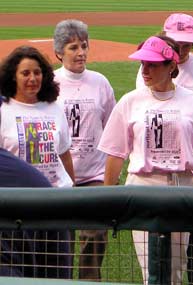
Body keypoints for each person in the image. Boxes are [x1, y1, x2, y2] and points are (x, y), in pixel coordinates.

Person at [98, 35, 193, 285]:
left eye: (152, 64)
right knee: (151, 266)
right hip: (143, 188)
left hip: (182, 188)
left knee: (176, 267)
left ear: (171, 66)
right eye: (143, 63)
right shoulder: (130, 101)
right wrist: (108, 198)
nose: (145, 70)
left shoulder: (192, 101)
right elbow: (115, 152)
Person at [135, 13, 193, 284]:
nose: (182, 48)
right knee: (160, 242)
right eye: (177, 43)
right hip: (159, 170)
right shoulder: (148, 68)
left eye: (187, 43)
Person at [0, 46, 75, 278]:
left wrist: (73, 192)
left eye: (37, 72)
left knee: (58, 272)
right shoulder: (3, 109)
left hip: (56, 203)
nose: (32, 79)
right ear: (13, 76)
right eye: (25, 73)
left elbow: (64, 154)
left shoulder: (54, 109)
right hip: (18, 207)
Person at [53, 19, 116, 281]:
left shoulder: (100, 82)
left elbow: (112, 126)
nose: (81, 52)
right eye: (73, 47)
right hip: (59, 176)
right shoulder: (51, 83)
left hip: (94, 174)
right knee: (60, 237)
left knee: (95, 236)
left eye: (84, 45)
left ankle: (89, 281)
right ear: (59, 53)